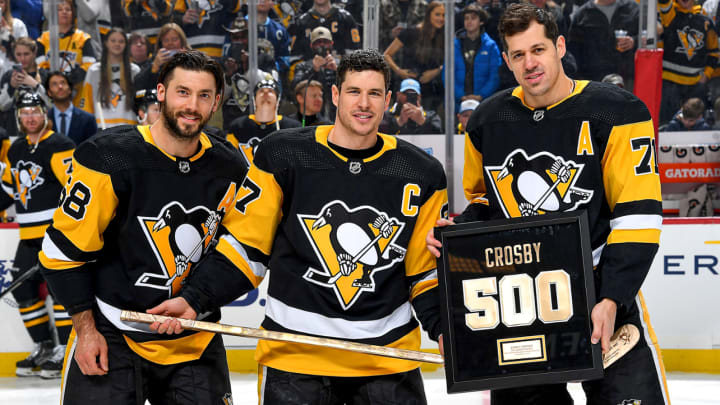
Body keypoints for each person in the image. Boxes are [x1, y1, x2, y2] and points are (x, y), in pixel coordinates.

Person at [148, 48, 448, 404]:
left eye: (374, 93)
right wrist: (195, 299)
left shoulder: (421, 172)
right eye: (354, 91)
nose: (364, 104)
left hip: (386, 358)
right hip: (294, 355)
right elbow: (246, 248)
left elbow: (423, 273)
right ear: (336, 95)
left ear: (388, 100)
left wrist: (444, 328)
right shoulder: (283, 155)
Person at [427, 4, 669, 404]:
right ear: (507, 61)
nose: (529, 63)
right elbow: (486, 201)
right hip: (522, 299)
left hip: (599, 289)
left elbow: (637, 215)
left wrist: (612, 298)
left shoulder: (618, 112)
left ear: (559, 47)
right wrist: (460, 230)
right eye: (518, 54)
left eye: (538, 50)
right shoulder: (487, 120)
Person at [38, 50, 245, 404]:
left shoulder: (231, 168)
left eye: (204, 95)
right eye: (183, 92)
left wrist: (195, 300)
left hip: (194, 334)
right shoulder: (107, 157)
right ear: (161, 92)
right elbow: (61, 254)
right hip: (112, 331)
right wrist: (86, 330)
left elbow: (242, 251)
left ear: (216, 103)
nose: (192, 105)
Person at [0, 93, 75, 379]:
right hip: (28, 236)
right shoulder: (17, 148)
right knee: (22, 289)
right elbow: (9, 190)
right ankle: (43, 346)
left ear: (44, 113)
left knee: (60, 290)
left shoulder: (60, 145)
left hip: (55, 235)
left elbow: (75, 188)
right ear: (18, 117)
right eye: (25, 112)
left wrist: (65, 230)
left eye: (34, 111)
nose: (30, 117)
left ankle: (65, 349)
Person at [658, 0, 719, 124]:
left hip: (696, 83)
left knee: (697, 125)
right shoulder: (669, 14)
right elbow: (664, 4)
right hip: (670, 82)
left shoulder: (705, 21)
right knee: (667, 124)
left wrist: (706, 75)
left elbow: (714, 52)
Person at [384, 0, 445, 110]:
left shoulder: (444, 35)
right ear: (428, 15)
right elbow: (387, 55)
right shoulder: (411, 32)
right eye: (437, 14)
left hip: (430, 91)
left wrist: (435, 72)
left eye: (443, 15)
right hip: (407, 87)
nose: (441, 18)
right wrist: (399, 71)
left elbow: (450, 61)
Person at [36, 0, 97, 107]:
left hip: (77, 94)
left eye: (68, 9)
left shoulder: (83, 38)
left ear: (73, 13)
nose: (64, 12)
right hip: (50, 95)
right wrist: (53, 82)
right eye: (59, 9)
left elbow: (90, 64)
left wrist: (69, 81)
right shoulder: (43, 38)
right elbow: (39, 66)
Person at [226, 75, 301, 162]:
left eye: (270, 91)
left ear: (278, 100)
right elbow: (228, 160)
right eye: (261, 91)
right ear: (254, 100)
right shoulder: (238, 127)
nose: (265, 94)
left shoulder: (292, 128)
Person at [567, 0, 638, 87]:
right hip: (594, 81)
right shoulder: (582, 14)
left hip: (629, 78)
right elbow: (573, 53)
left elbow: (647, 37)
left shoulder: (633, 8)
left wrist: (634, 41)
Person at [79, 27, 140, 128]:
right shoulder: (94, 70)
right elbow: (86, 104)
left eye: (121, 41)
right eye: (113, 41)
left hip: (129, 128)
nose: (117, 44)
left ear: (126, 45)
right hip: (102, 127)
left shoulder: (135, 70)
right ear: (106, 43)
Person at [448, 3, 502, 112]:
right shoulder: (454, 44)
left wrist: (481, 95)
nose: (469, 21)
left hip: (484, 103)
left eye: (473, 18)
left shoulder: (491, 46)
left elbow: (495, 76)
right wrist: (460, 95)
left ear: (481, 21)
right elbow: (447, 74)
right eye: (466, 18)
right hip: (457, 103)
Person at [0, 37, 49, 138]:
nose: (22, 58)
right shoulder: (8, 76)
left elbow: (51, 104)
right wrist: (11, 87)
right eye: (18, 54)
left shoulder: (44, 75)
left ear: (34, 53)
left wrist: (35, 85)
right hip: (14, 132)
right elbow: (2, 106)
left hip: (41, 132)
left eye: (26, 54)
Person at [288, 0, 361, 62]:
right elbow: (294, 57)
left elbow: (354, 53)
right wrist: (310, 66)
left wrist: (339, 66)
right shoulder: (302, 22)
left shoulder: (345, 18)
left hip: (340, 70)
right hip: (310, 71)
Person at [291, 26, 339, 119]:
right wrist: (313, 69)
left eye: (325, 42)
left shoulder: (341, 65)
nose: (322, 45)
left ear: (331, 44)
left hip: (336, 113)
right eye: (318, 42)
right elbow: (295, 87)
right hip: (312, 117)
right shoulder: (303, 66)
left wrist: (337, 71)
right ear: (311, 45)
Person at [134, 23, 190, 94]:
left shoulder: (192, 57)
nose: (170, 43)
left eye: (174, 39)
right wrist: (155, 66)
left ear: (182, 41)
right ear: (161, 43)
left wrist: (188, 62)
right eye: (166, 40)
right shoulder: (155, 59)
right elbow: (138, 84)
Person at [46, 71, 98, 145]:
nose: (60, 87)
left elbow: (93, 147)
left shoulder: (88, 119)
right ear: (49, 92)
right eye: (54, 84)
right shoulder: (44, 119)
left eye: (63, 83)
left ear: (70, 89)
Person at [177, 0, 241, 59]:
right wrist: (182, 19)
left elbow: (240, 9)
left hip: (220, 56)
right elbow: (173, 21)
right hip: (192, 57)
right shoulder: (183, 2)